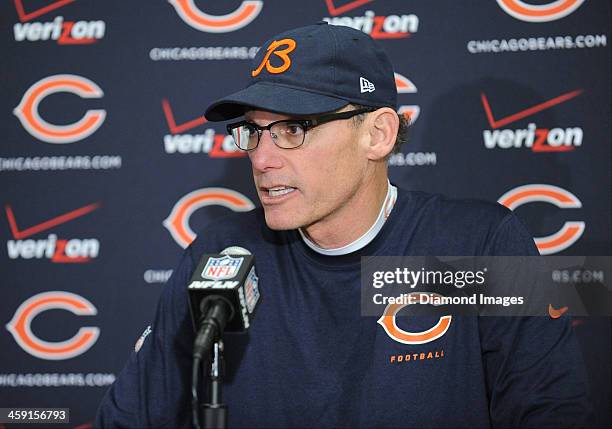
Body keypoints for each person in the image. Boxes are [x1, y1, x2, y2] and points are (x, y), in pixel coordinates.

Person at [95, 22, 590, 428]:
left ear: (377, 134)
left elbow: (552, 413)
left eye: (293, 128)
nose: (262, 157)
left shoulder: (483, 245)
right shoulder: (221, 253)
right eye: (252, 131)